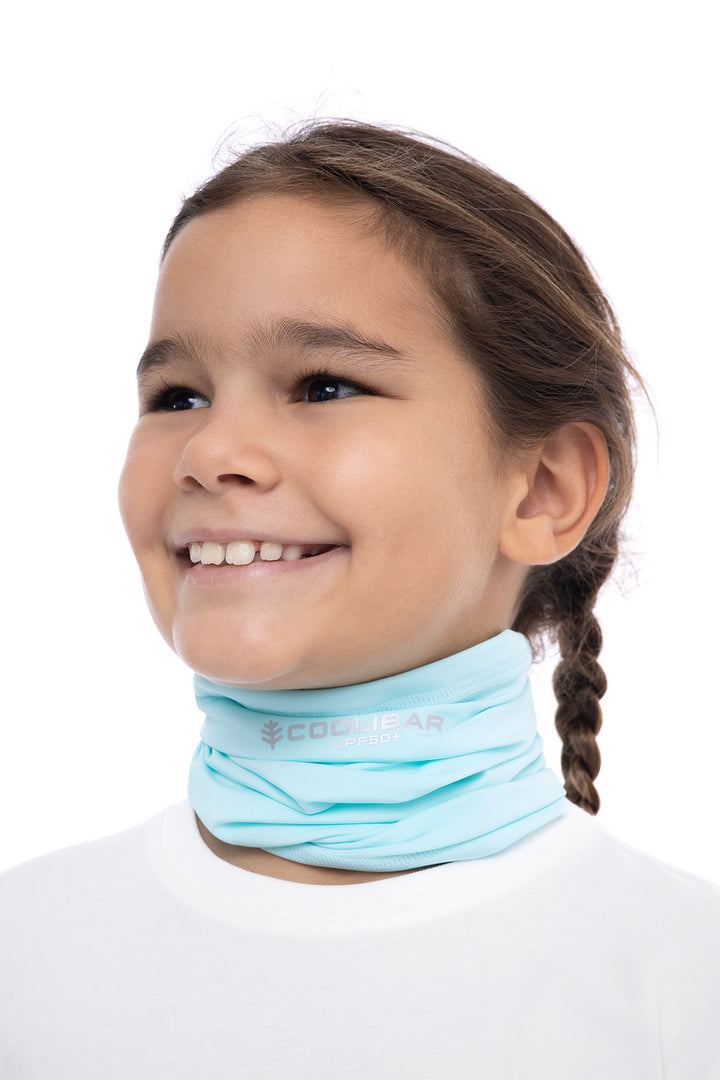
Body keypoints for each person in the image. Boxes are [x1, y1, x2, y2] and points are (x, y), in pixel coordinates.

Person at [1, 121, 719, 1079]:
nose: (210, 451)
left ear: (544, 490)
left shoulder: (686, 986)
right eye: (177, 397)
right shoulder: (24, 952)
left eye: (324, 385)